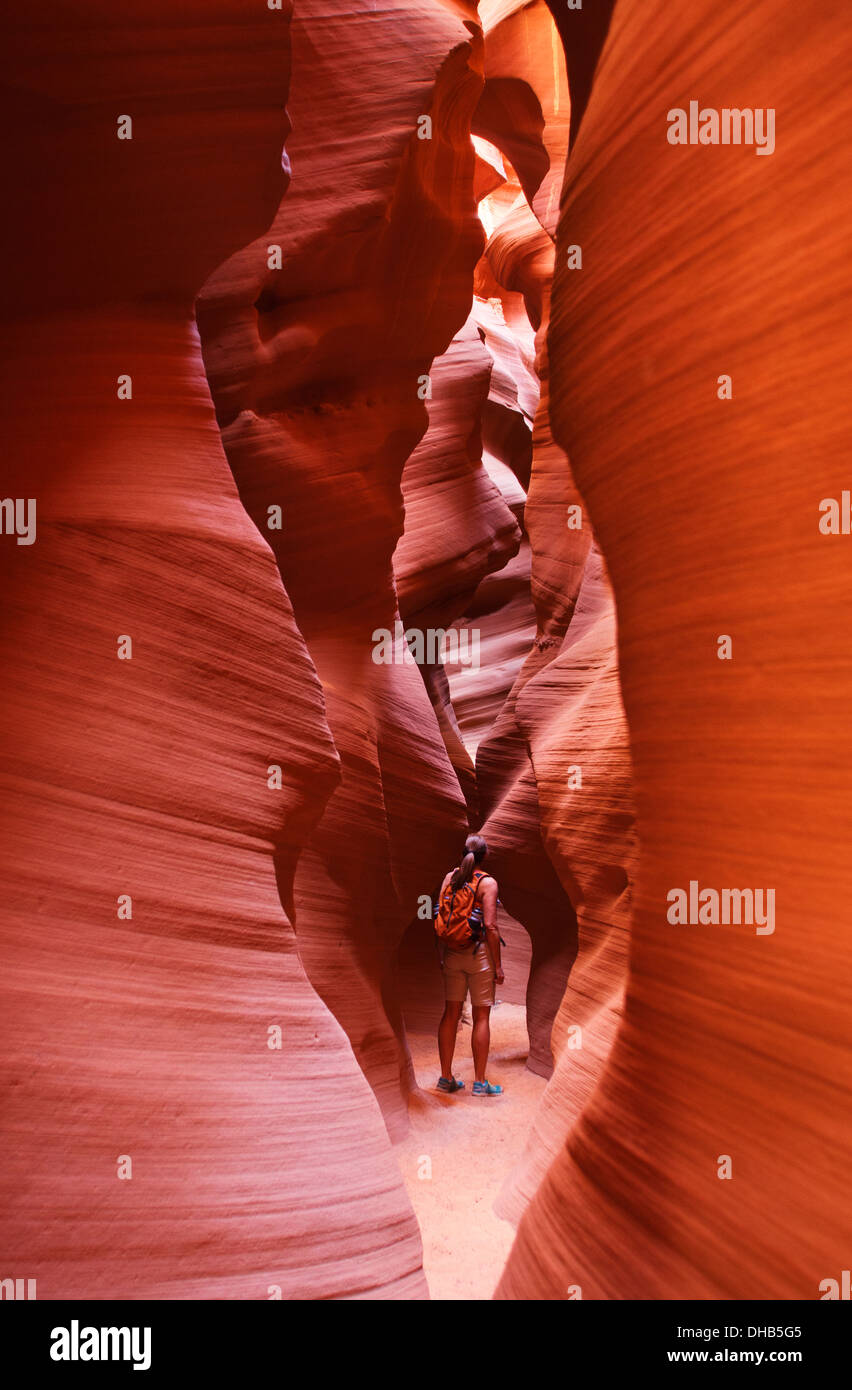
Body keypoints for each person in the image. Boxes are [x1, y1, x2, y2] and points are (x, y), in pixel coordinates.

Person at [434, 834, 504, 1096]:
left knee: (450, 1014)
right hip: (479, 955)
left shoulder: (449, 878)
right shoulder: (488, 883)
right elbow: (491, 926)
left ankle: (445, 1078)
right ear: (485, 856)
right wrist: (498, 966)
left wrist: (442, 952)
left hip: (452, 952)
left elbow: (439, 913)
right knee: (481, 1016)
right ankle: (480, 1082)